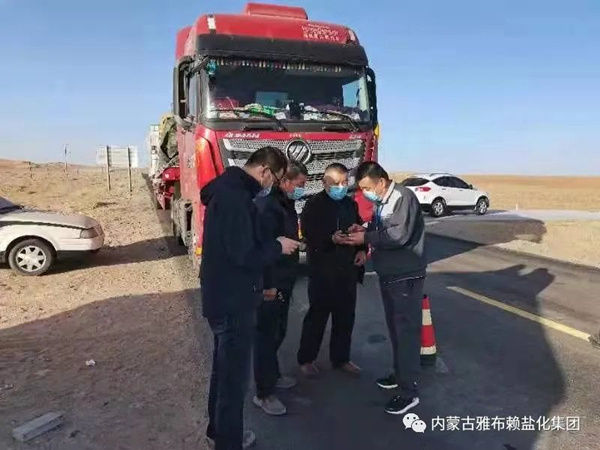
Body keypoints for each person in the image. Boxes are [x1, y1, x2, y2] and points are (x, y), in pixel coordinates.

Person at [200, 146, 301, 450]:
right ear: (265, 171)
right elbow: (244, 254)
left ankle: (218, 432)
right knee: (233, 381)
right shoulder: (236, 198)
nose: (272, 185)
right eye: (276, 179)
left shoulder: (228, 191)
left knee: (223, 372)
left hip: (223, 296)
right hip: (233, 301)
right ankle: (228, 442)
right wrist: (278, 246)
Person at [344, 161, 427, 416]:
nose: (366, 193)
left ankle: (409, 391)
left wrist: (366, 238)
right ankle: (400, 374)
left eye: (367, 188)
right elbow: (383, 229)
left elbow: (399, 235)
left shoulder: (403, 197)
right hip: (389, 274)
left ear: (381, 181)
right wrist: (365, 229)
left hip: (405, 276)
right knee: (396, 330)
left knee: (406, 332)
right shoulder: (383, 200)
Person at [297, 163, 367, 376]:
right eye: (336, 183)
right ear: (325, 183)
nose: (341, 187)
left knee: (345, 317)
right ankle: (306, 359)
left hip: (347, 270)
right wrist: (330, 238)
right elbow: (308, 234)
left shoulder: (350, 204)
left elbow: (359, 229)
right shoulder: (313, 205)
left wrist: (362, 250)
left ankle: (341, 359)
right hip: (322, 271)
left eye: (344, 182)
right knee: (317, 317)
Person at [252, 160, 309, 416]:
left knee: (278, 331)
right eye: (300, 184)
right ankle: (263, 393)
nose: (302, 189)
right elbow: (263, 248)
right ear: (285, 181)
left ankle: (273, 375)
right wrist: (268, 284)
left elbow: (284, 238)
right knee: (266, 337)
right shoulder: (268, 206)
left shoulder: (285, 204)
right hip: (271, 283)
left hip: (285, 279)